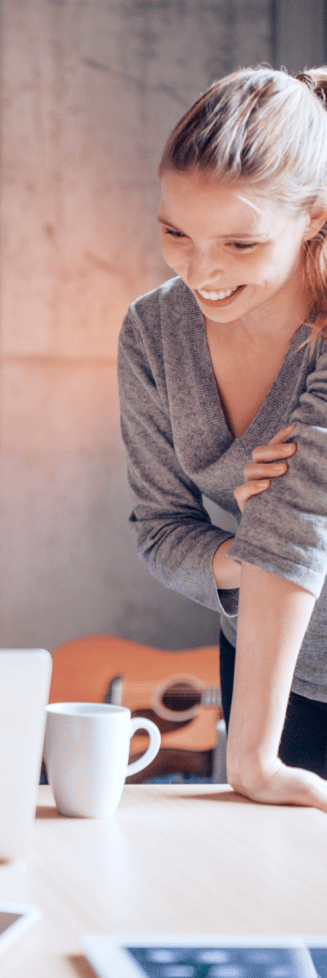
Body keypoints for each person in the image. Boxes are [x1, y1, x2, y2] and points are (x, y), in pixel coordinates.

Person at [119, 66, 327, 811]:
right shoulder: (153, 331)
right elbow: (158, 530)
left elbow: (297, 520)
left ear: (313, 216)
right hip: (273, 673)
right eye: (176, 233)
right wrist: (236, 553)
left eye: (239, 245)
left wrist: (253, 760)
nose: (201, 271)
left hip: (264, 718)